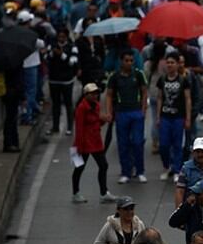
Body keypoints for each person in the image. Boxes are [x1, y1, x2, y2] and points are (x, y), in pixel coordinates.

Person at [106, 51, 148, 184]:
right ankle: (126, 172)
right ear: (121, 61)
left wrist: (143, 110)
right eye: (126, 60)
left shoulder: (138, 74)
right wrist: (109, 112)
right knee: (123, 144)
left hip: (135, 112)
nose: (129, 63)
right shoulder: (114, 77)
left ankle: (140, 171)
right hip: (121, 112)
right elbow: (109, 95)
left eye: (131, 60)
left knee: (137, 142)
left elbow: (144, 92)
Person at [72, 82, 116, 203]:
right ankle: (75, 192)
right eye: (92, 93)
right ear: (86, 95)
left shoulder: (96, 105)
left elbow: (96, 122)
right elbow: (79, 128)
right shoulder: (81, 108)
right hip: (84, 143)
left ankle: (103, 192)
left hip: (95, 142)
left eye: (96, 93)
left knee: (103, 165)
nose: (95, 95)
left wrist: (104, 120)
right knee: (79, 167)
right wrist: (78, 147)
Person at [156, 53, 192, 181]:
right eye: (168, 62)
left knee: (177, 144)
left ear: (177, 64)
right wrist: (158, 116)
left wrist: (187, 118)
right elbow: (160, 97)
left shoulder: (183, 80)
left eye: (172, 62)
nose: (170, 65)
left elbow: (188, 99)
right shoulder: (162, 79)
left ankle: (177, 169)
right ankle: (167, 167)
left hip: (178, 117)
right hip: (165, 116)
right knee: (164, 144)